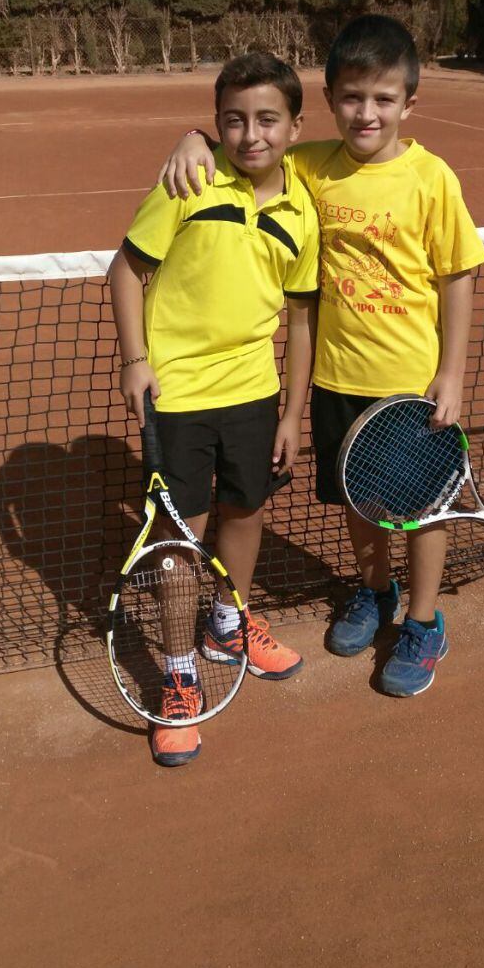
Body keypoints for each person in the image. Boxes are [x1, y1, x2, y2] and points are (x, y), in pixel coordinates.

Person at [156, 14, 484, 699]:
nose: (366, 113)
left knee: (426, 509)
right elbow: (249, 145)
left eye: (383, 99)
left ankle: (423, 621)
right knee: (360, 503)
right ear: (330, 99)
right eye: (351, 97)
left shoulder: (432, 179)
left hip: (411, 387)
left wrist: (451, 372)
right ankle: (375, 591)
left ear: (409, 104)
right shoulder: (310, 166)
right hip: (339, 379)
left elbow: (459, 276)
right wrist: (195, 136)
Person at [110, 52, 319, 766]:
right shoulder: (189, 179)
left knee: (247, 510)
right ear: (217, 123)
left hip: (254, 394)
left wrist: (292, 412)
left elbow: (298, 319)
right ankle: (176, 676)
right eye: (232, 119)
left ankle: (228, 624)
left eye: (267, 119)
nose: (250, 134)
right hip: (179, 396)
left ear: (296, 125)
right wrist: (136, 359)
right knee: (176, 542)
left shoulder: (302, 211)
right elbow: (127, 270)